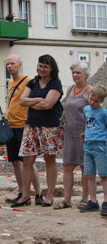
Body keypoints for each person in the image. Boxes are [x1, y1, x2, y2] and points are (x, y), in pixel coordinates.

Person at [12, 54, 63, 208]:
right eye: (40, 65)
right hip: (31, 125)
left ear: (52, 68)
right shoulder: (33, 82)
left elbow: (48, 105)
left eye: (45, 66)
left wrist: (32, 102)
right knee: (27, 160)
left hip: (48, 126)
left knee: (50, 159)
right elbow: (22, 101)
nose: (42, 69)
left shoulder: (56, 84)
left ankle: (49, 195)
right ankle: (26, 195)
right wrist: (38, 100)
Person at [5, 54, 43, 205]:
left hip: (24, 126)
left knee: (28, 161)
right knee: (14, 161)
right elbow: (10, 100)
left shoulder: (28, 81)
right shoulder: (10, 83)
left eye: (12, 63)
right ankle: (23, 193)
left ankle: (38, 193)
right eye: (8, 64)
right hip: (10, 126)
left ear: (19, 65)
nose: (9, 66)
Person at [55, 61, 92, 210]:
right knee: (67, 166)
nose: (75, 75)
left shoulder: (90, 91)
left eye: (78, 73)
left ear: (86, 74)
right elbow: (64, 110)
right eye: (73, 73)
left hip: (84, 133)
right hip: (69, 133)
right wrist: (61, 126)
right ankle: (67, 199)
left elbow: (93, 112)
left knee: (85, 167)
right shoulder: (70, 89)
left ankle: (85, 198)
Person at [79, 84, 107, 215]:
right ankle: (93, 201)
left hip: (100, 145)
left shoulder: (104, 113)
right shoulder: (86, 109)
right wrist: (86, 134)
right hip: (88, 144)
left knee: (104, 175)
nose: (92, 102)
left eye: (96, 101)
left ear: (101, 101)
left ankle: (106, 202)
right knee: (89, 175)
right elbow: (89, 124)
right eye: (91, 99)